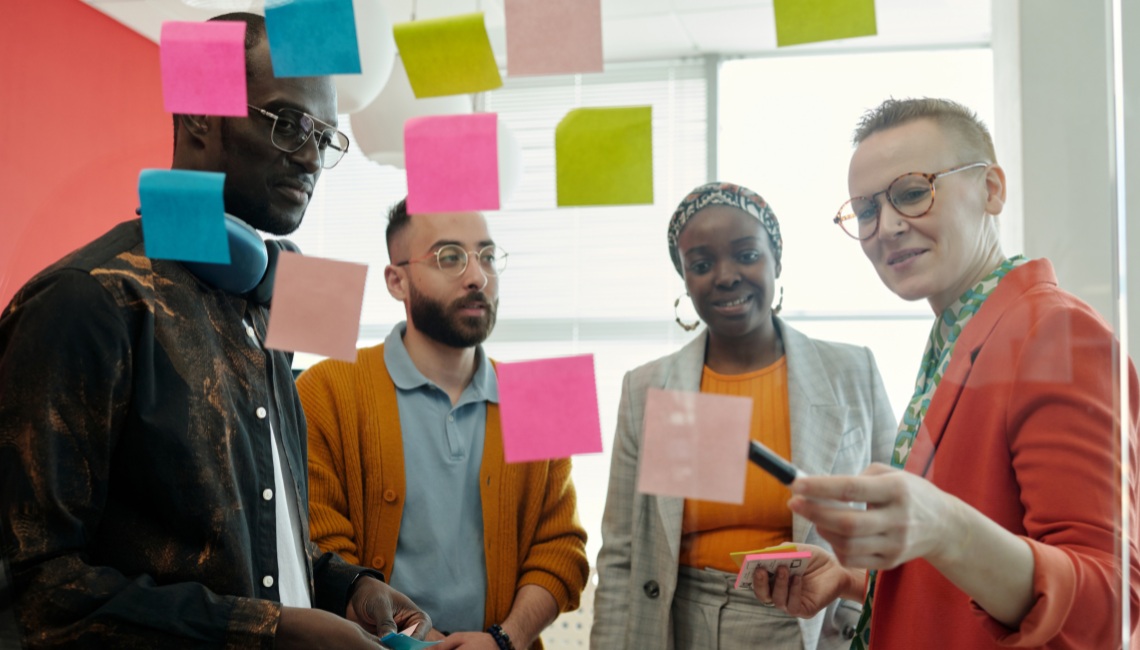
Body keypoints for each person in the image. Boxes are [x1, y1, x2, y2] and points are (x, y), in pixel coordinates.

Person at [0, 13, 430, 649]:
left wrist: (345, 586)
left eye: (324, 136)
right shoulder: (87, 301)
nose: (311, 155)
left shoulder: (262, 306)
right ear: (200, 115)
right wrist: (272, 632)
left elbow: (252, 538)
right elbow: (35, 593)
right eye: (289, 124)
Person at [752, 98, 1140, 649]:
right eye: (865, 210)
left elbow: (1106, 606)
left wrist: (945, 528)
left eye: (913, 192)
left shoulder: (1056, 334)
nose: (886, 227)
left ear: (992, 190)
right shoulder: (959, 334)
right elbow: (975, 582)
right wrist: (853, 581)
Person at [590, 183, 897, 650]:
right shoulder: (648, 388)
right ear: (685, 279)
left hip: (810, 626)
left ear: (776, 260)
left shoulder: (852, 370)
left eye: (746, 254)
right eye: (701, 264)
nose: (726, 276)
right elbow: (620, 554)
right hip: (678, 626)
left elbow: (895, 519)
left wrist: (855, 609)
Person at [297, 198, 590, 650]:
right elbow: (317, 544)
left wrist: (503, 639)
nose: (478, 277)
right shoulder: (324, 389)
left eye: (488, 256)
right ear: (397, 281)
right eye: (449, 257)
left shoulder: (543, 395)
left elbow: (562, 550)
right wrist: (418, 638)